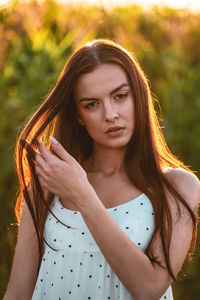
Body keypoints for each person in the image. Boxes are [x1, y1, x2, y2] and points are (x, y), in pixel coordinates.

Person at [3, 39, 200, 300]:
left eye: (120, 96)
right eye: (92, 104)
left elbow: (149, 288)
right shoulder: (49, 186)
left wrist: (82, 194)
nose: (110, 114)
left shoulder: (177, 186)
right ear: (78, 116)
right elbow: (18, 293)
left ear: (138, 96)